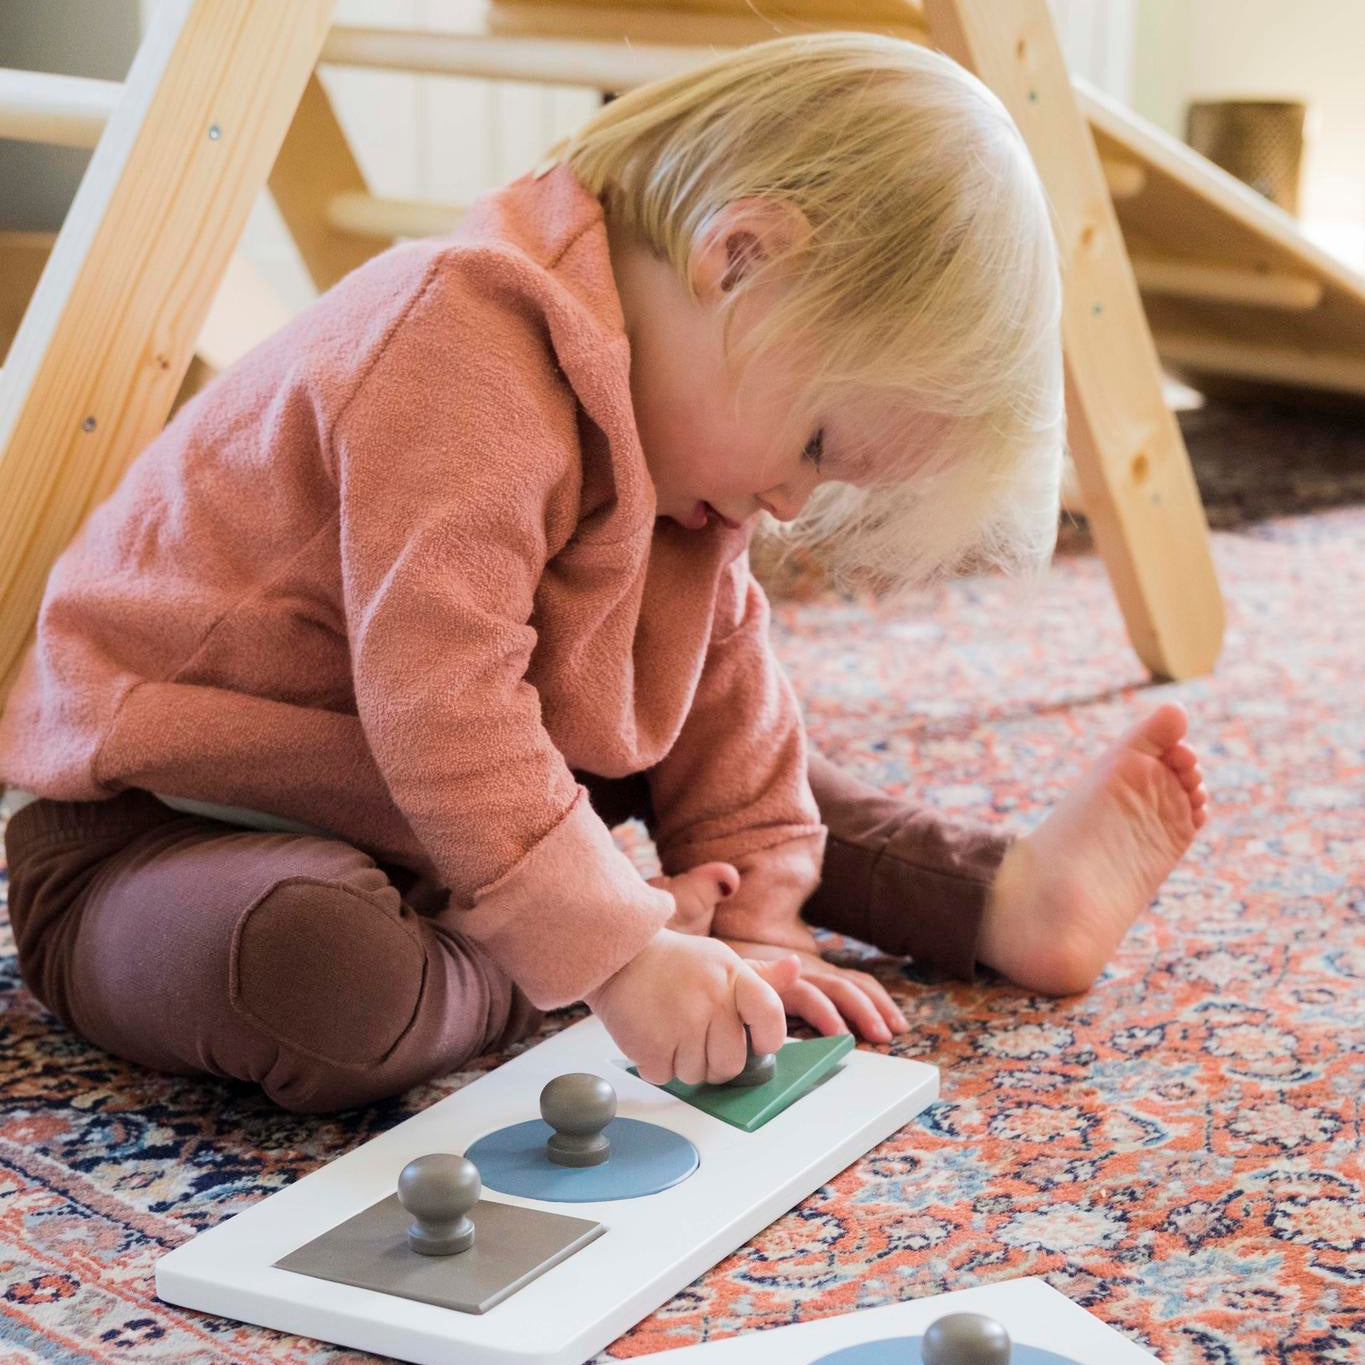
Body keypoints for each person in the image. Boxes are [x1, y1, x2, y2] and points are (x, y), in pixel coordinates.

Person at [0, 34, 1207, 1115]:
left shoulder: (685, 446)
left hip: (440, 816)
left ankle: (1006, 899)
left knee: (705, 734)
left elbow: (732, 709)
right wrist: (624, 957)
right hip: (164, 836)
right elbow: (445, 696)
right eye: (819, 447)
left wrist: (756, 914)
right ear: (739, 258)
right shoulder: (458, 338)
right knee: (327, 976)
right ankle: (527, 959)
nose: (791, 501)